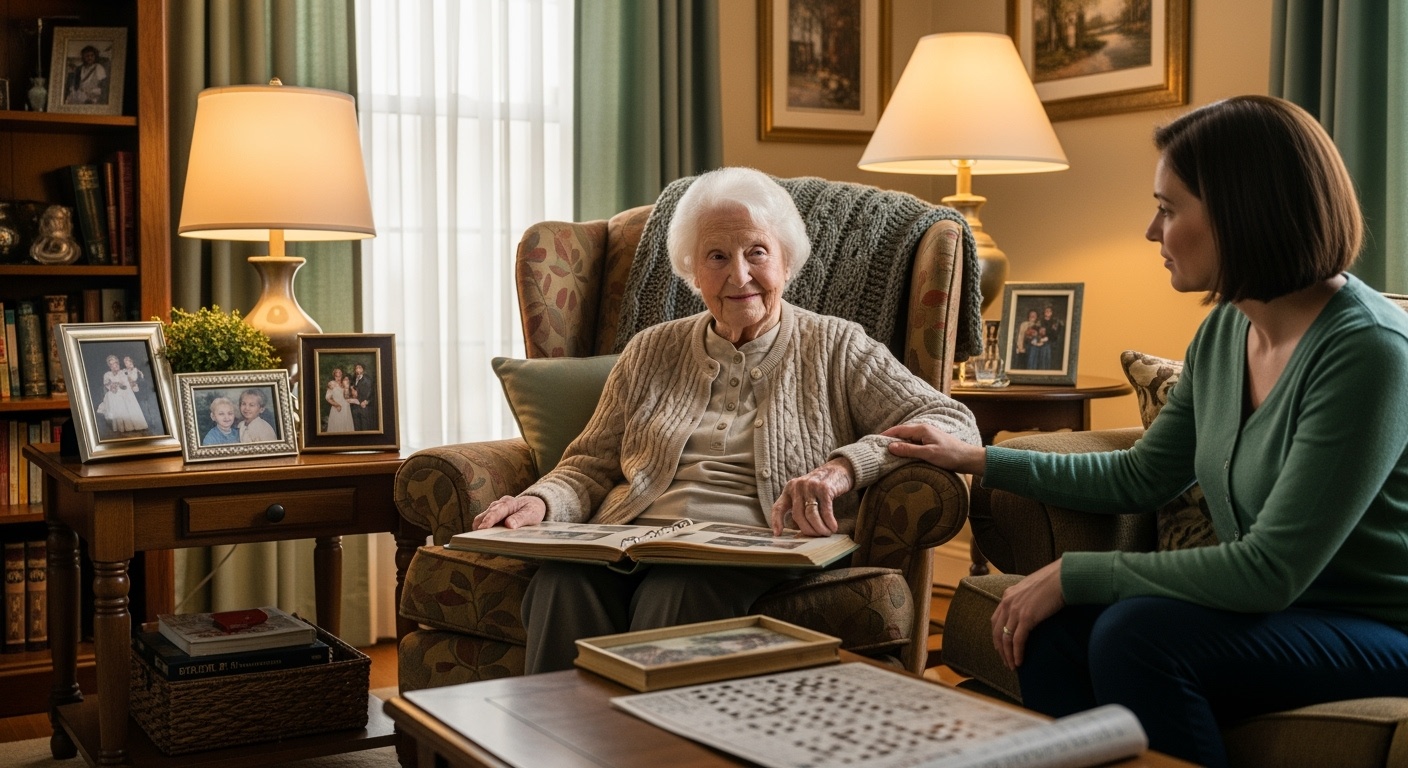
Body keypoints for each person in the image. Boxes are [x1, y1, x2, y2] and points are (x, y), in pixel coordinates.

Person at [884, 95, 1408, 768]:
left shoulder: (1368, 352)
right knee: (1050, 632)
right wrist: (976, 457)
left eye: (1168, 207)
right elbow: (1142, 475)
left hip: (1377, 629)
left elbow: (1270, 572)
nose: (1151, 231)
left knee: (1138, 634)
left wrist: (1078, 573)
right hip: (1281, 614)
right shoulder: (1226, 330)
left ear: (1240, 211)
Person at [471, 166, 981, 674]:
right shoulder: (650, 349)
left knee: (678, 592)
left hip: (756, 550)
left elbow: (950, 418)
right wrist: (539, 501)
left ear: (786, 260)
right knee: (562, 585)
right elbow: (588, 465)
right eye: (717, 256)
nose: (739, 275)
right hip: (632, 539)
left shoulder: (836, 345)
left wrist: (844, 468)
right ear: (693, 272)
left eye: (757, 252)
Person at [97, 354, 146, 434]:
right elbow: (109, 386)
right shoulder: (107, 374)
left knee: (128, 394)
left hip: (125, 391)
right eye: (112, 364)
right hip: (114, 392)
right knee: (115, 396)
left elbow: (128, 383)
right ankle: (124, 426)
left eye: (116, 363)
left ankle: (137, 424)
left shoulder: (123, 372)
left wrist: (129, 382)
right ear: (109, 366)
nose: (114, 365)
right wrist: (115, 385)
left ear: (118, 363)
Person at [122, 355, 162, 432]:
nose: (127, 364)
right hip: (130, 393)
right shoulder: (124, 372)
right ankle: (139, 425)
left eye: (128, 362)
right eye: (125, 363)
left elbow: (142, 382)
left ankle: (151, 424)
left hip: (140, 393)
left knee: (145, 408)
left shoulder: (137, 371)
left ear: (131, 362)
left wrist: (135, 383)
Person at [324, 368, 356, 432]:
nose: (339, 373)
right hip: (337, 408)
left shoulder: (344, 383)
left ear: (342, 374)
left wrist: (347, 388)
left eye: (340, 372)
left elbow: (347, 397)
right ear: (334, 374)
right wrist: (337, 405)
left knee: (346, 427)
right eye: (337, 372)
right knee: (337, 426)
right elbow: (327, 398)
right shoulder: (332, 383)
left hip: (346, 408)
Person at [349, 363, 375, 431]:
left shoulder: (368, 380)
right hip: (354, 407)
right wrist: (352, 390)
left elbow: (372, 393)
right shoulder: (353, 379)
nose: (358, 369)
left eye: (360, 368)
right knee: (356, 428)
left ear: (363, 369)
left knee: (365, 428)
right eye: (356, 368)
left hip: (364, 407)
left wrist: (367, 401)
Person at [1039, 305, 1065, 369]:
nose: (1048, 312)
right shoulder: (1040, 321)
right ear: (1044, 312)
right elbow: (1038, 331)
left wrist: (1048, 338)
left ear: (1051, 313)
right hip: (1040, 341)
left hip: (1051, 342)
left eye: (1049, 311)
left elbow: (1055, 333)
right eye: (1046, 311)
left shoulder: (1055, 322)